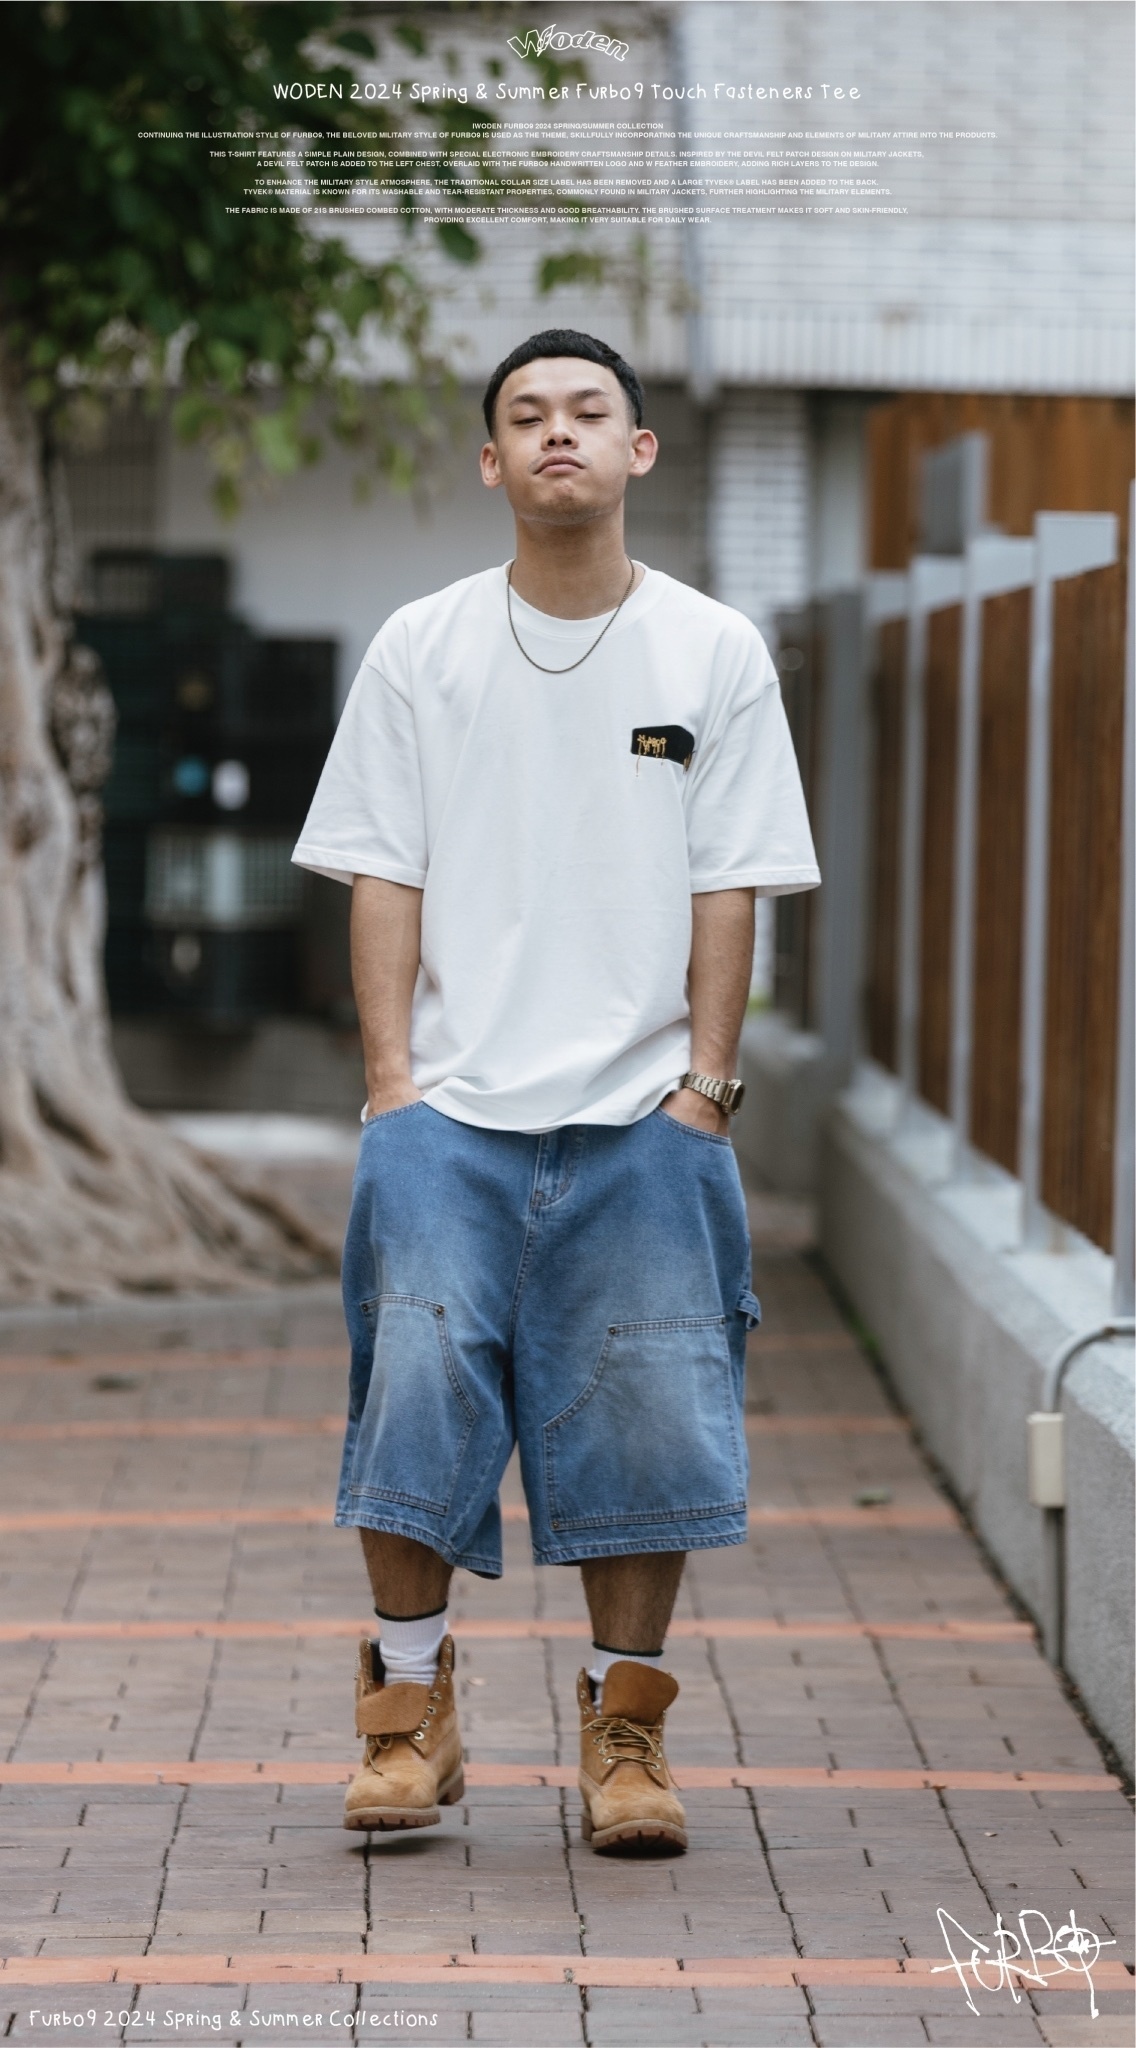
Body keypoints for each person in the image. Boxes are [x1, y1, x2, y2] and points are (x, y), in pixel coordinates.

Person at [292, 327, 820, 1856]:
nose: (558, 434)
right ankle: (408, 1718)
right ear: (491, 460)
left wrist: (705, 1092)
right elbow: (381, 870)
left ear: (639, 449)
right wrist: (392, 1090)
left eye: (590, 411)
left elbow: (731, 882)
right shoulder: (423, 647)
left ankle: (626, 1737)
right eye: (526, 416)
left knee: (648, 1414)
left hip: (646, 1119)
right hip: (446, 1118)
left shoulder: (711, 650)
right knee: (411, 1393)